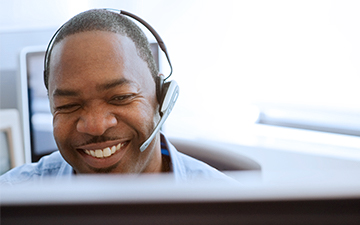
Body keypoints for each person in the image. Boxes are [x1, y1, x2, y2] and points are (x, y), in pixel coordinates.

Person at [0, 9, 232, 185]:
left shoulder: (229, 209)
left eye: (120, 97)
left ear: (162, 98)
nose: (96, 126)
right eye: (68, 105)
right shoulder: (13, 198)